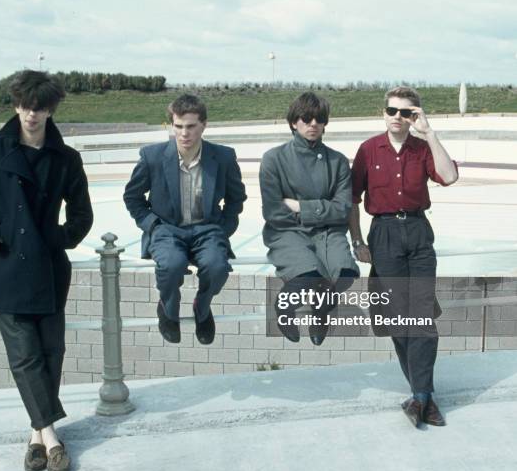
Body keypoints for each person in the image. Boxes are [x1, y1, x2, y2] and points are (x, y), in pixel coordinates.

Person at [0, 70, 93, 471]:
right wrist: (3, 239)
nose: (30, 114)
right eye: (23, 106)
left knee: (52, 352)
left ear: (50, 109)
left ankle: (36, 434)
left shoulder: (66, 158)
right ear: (15, 105)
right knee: (25, 357)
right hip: (7, 269)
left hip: (50, 270)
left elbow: (82, 215)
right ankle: (52, 438)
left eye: (38, 107)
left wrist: (59, 238)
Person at [349, 85, 458, 429]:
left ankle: (421, 396)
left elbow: (450, 176)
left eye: (407, 112)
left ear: (416, 116)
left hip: (418, 234)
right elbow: (352, 199)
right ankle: (422, 394)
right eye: (393, 111)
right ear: (384, 113)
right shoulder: (368, 150)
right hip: (383, 236)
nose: (398, 117)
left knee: (422, 316)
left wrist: (430, 133)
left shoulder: (423, 148)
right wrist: (357, 240)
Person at [123, 94, 246, 345]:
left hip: (207, 229)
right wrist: (152, 226)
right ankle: (168, 310)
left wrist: (223, 229)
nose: (184, 133)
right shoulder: (152, 157)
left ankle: (202, 308)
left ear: (204, 125)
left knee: (217, 266)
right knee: (171, 265)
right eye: (178, 126)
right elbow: (132, 197)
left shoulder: (223, 157)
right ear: (171, 125)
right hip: (166, 229)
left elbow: (236, 198)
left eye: (190, 126)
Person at [260, 92, 359, 345]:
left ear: (325, 123)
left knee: (345, 273)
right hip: (288, 232)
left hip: (328, 233)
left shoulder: (337, 161)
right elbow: (273, 212)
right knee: (306, 277)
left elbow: (343, 209)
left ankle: (320, 311)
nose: (313, 123)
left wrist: (300, 206)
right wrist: (320, 210)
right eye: (306, 118)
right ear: (294, 122)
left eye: (319, 119)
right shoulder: (274, 159)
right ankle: (284, 308)